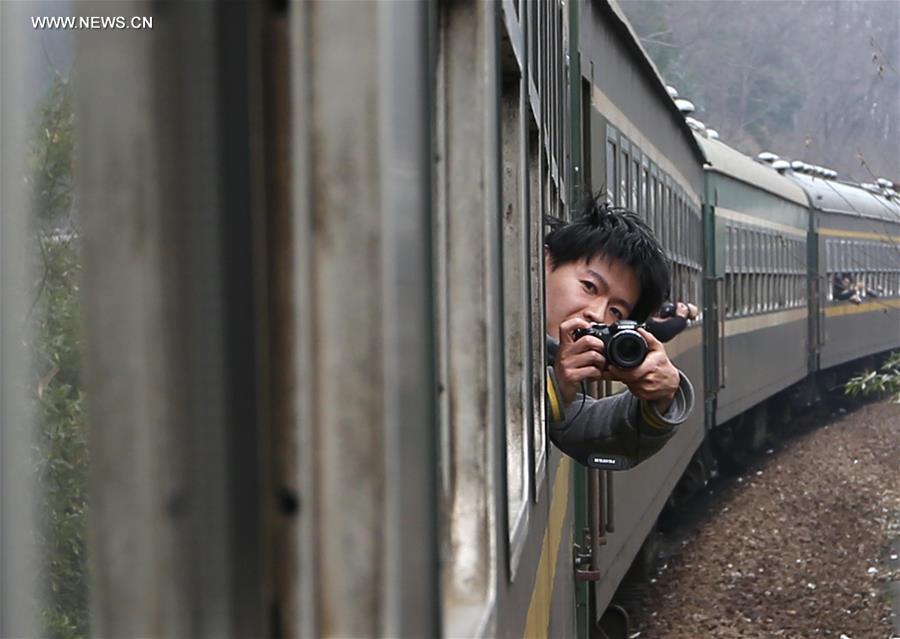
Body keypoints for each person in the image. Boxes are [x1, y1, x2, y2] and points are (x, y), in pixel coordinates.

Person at [543, 195, 695, 469]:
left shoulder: (554, 359)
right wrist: (555, 388)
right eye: (589, 286)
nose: (597, 314)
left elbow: (588, 430)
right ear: (544, 261)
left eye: (616, 312)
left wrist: (660, 397)